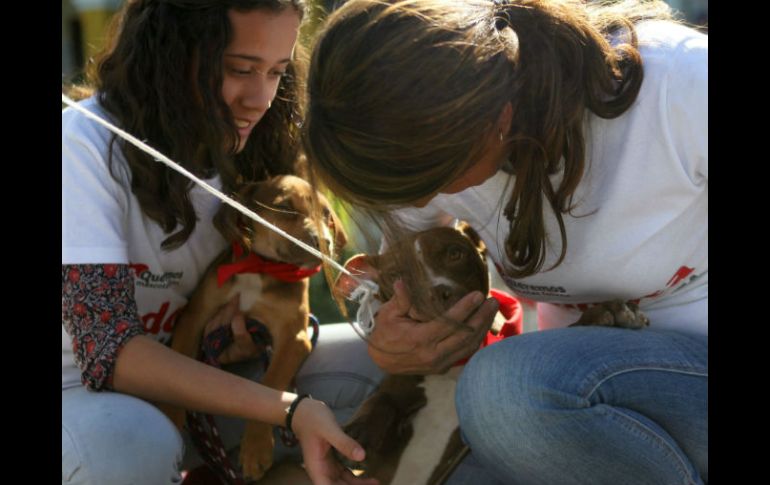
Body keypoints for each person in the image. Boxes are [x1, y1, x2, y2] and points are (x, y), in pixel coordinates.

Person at [303, 0, 707, 483]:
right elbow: (396, 283)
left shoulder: (679, 83)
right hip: (572, 387)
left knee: (501, 391)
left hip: (680, 375)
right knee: (330, 383)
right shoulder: (417, 134)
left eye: (432, 179)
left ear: (498, 116)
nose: (424, 199)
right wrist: (391, 340)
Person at [61, 1, 382, 484]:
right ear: (169, 59)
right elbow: (109, 352)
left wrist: (245, 336)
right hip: (82, 399)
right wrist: (287, 409)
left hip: (190, 386)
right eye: (239, 69)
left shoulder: (250, 155)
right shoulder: (82, 145)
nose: (260, 99)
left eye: (276, 73)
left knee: (384, 372)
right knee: (131, 441)